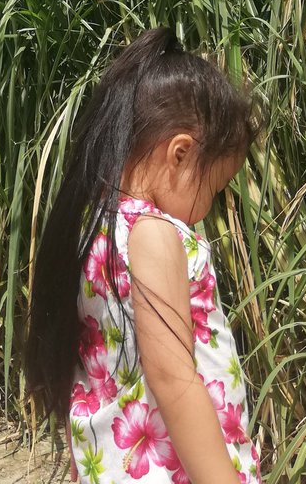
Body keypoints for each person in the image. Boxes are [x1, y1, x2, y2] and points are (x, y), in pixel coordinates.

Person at [25, 27, 263, 484]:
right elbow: (173, 379)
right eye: (215, 188)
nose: (208, 208)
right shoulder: (153, 233)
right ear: (180, 154)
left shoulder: (94, 228)